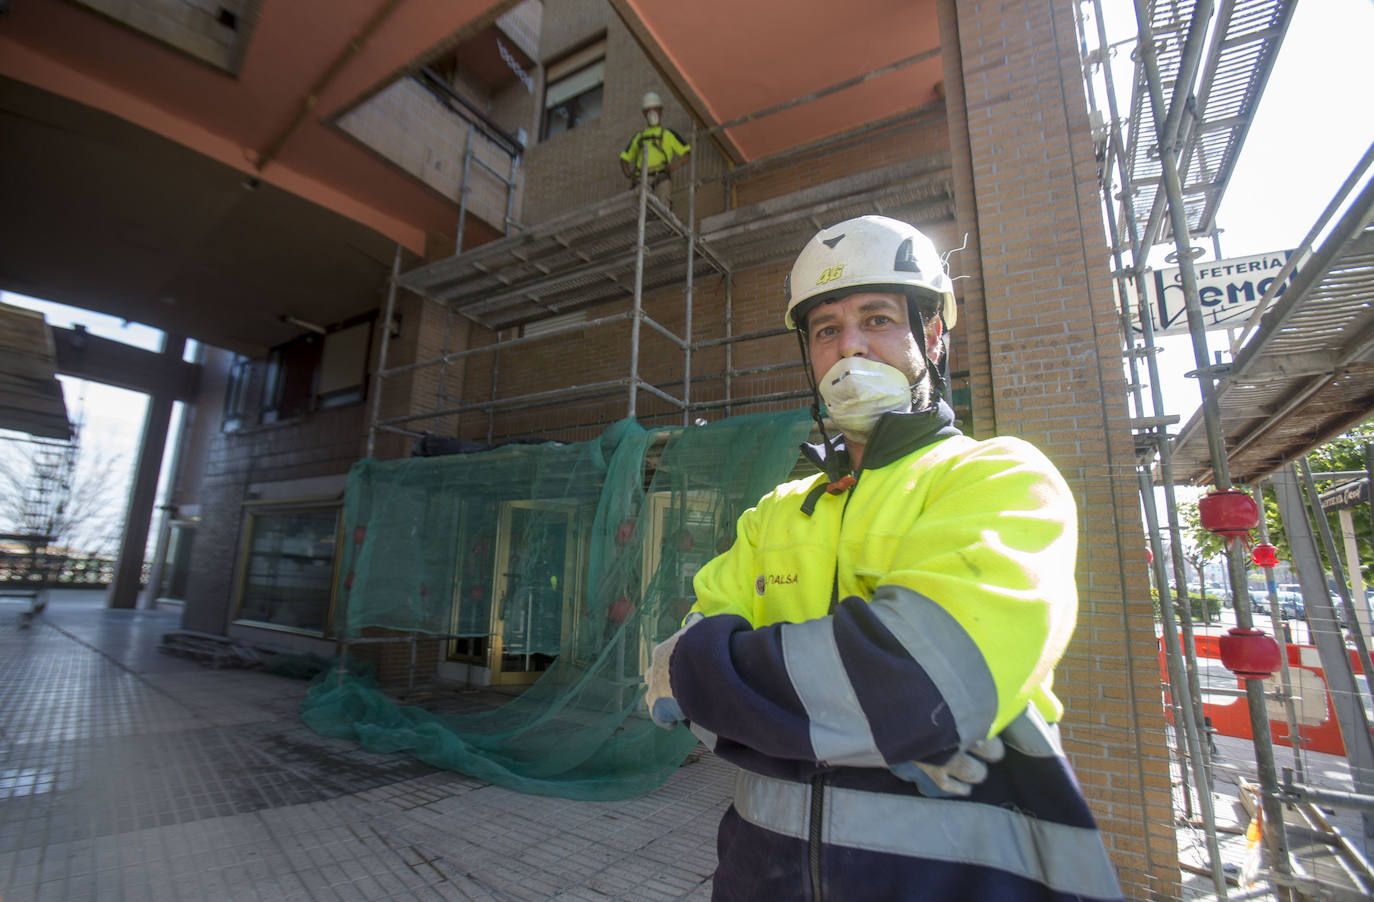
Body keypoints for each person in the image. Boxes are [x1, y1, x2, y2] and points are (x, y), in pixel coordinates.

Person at [644, 215, 1122, 901]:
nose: (851, 349)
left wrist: (717, 679)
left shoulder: (998, 478)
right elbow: (677, 668)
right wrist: (875, 722)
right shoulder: (777, 512)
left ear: (931, 335)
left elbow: (921, 685)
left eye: (876, 319)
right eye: (826, 330)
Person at [619, 91, 691, 209]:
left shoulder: (668, 134)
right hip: (641, 179)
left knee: (661, 210)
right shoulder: (639, 137)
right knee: (639, 210)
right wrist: (629, 174)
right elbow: (624, 158)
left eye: (655, 109)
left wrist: (675, 165)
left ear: (661, 111)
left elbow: (687, 154)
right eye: (648, 110)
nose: (652, 113)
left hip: (661, 177)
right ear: (644, 113)